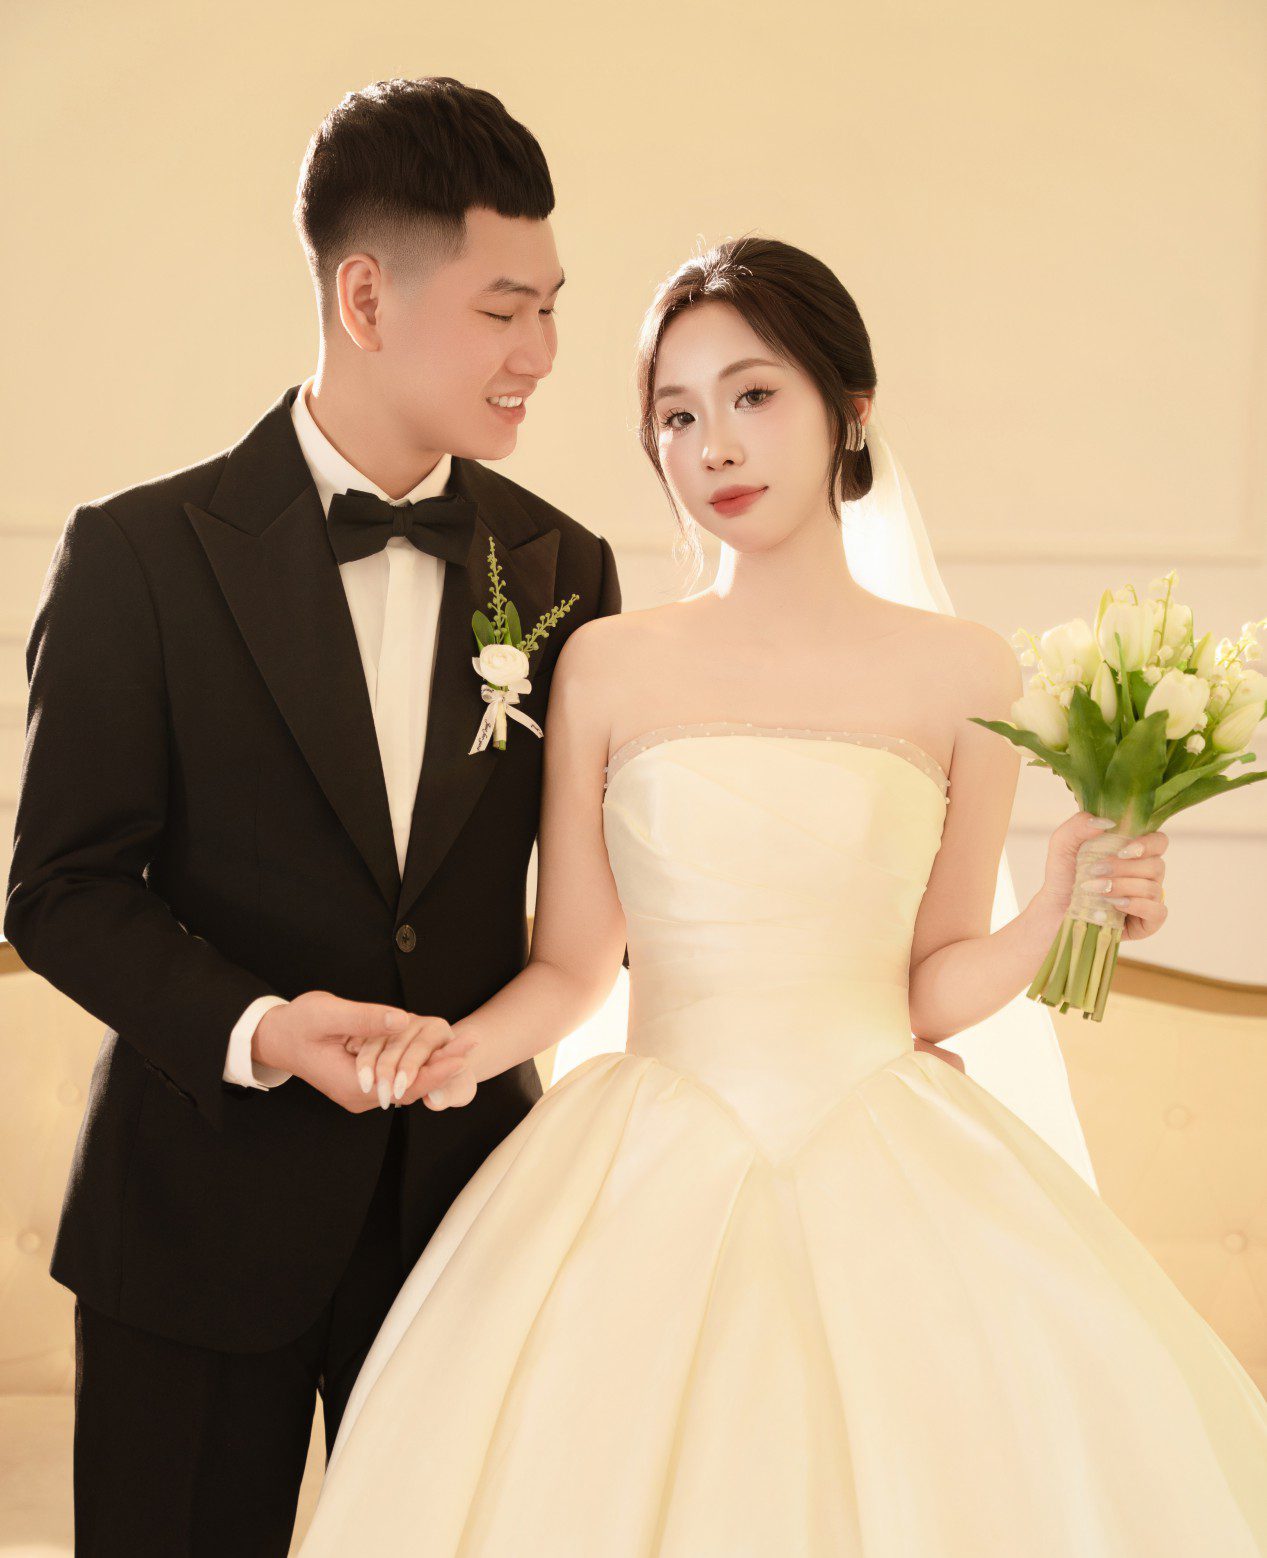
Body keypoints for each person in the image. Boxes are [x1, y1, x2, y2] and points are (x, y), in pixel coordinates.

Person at [297, 237, 1267, 1555]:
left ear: (848, 408)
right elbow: (576, 965)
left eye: (753, 396)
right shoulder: (606, 662)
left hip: (887, 1147)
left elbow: (932, 983)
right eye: (676, 416)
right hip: (647, 1148)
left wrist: (1056, 906)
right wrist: (455, 1051)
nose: (715, 448)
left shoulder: (967, 672)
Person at [3, 77, 624, 1556]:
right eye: (503, 310)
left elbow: (614, 892)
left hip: (470, 1231)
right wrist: (265, 1029)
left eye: (551, 309)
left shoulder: (567, 569)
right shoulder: (140, 554)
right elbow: (62, 888)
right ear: (363, 296)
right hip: (190, 1226)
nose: (541, 353)